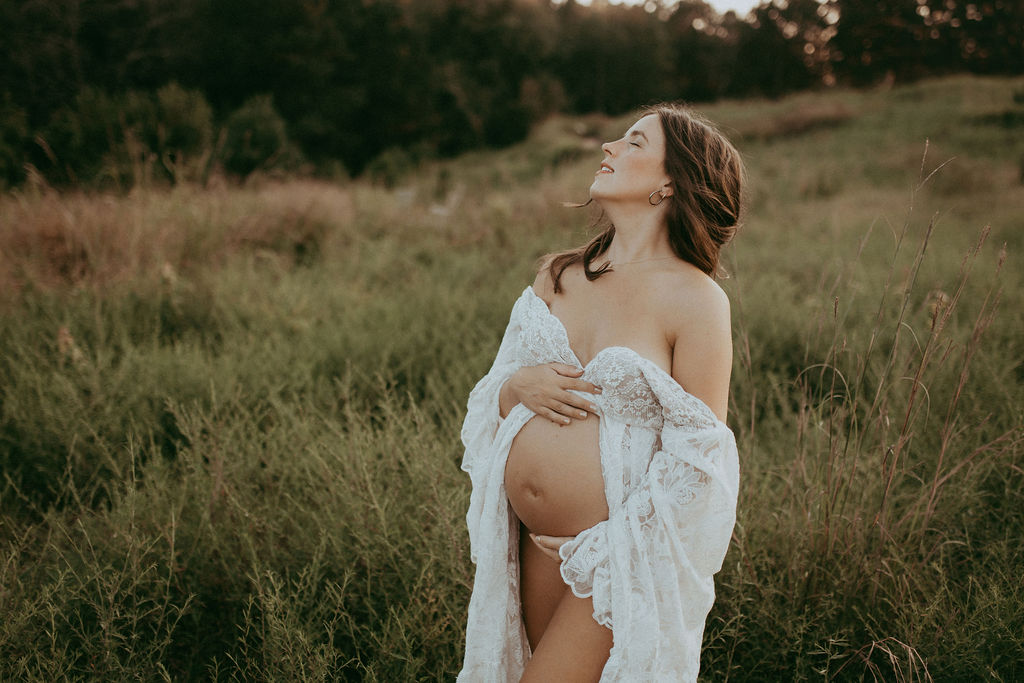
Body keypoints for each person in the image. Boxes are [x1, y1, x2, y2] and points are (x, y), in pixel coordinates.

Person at [458, 103, 743, 682]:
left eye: (634, 142)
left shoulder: (696, 299)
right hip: (532, 543)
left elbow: (702, 461)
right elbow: (494, 392)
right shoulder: (559, 274)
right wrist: (517, 385)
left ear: (670, 182)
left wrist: (618, 548)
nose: (609, 148)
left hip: (620, 558)